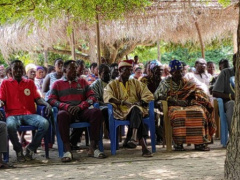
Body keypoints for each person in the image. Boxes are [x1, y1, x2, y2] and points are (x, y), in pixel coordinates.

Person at [48, 60, 106, 162]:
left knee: (97, 112)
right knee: (61, 115)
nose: (75, 71)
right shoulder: (57, 84)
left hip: (81, 110)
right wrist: (64, 106)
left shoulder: (82, 81)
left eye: (75, 68)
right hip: (67, 111)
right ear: (65, 70)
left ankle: (93, 147)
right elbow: (51, 99)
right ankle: (67, 150)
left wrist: (81, 106)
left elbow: (92, 97)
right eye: (72, 68)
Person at [154, 60, 216, 151]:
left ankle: (199, 143)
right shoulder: (165, 82)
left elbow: (195, 92)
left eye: (180, 71)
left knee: (199, 112)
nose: (178, 74)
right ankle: (178, 143)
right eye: (176, 72)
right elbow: (157, 96)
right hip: (173, 105)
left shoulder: (186, 82)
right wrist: (174, 100)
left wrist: (191, 99)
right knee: (178, 115)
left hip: (188, 104)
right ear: (171, 72)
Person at [0, 60, 51, 162]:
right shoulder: (5, 83)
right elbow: (2, 100)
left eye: (20, 68)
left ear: (23, 70)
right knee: (10, 125)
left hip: (29, 114)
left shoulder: (29, 83)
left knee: (44, 123)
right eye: (16, 68)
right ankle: (18, 150)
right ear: (11, 70)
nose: (18, 70)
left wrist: (46, 104)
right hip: (12, 114)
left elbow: (37, 98)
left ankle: (31, 148)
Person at [104, 60, 154, 157]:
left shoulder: (135, 83)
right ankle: (140, 144)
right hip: (119, 111)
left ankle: (136, 138)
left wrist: (140, 102)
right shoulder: (112, 84)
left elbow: (148, 95)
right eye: (126, 70)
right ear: (120, 71)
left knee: (136, 109)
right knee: (137, 113)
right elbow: (108, 97)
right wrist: (122, 102)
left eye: (130, 70)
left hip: (136, 109)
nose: (129, 72)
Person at [140, 60, 164, 144]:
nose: (160, 72)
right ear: (152, 70)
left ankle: (163, 136)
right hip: (145, 104)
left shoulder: (162, 81)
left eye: (161, 70)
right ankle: (157, 137)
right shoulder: (145, 80)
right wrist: (154, 102)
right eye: (158, 70)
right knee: (155, 113)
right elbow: (143, 95)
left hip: (159, 104)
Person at [212, 54, 236, 133]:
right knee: (232, 104)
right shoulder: (226, 73)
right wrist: (231, 96)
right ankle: (234, 134)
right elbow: (215, 92)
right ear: (234, 62)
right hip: (229, 102)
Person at [90, 64, 111, 137]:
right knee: (107, 111)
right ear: (99, 74)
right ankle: (112, 134)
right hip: (101, 106)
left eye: (109, 72)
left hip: (114, 106)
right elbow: (95, 100)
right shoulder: (95, 85)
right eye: (105, 73)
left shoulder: (113, 83)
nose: (108, 75)